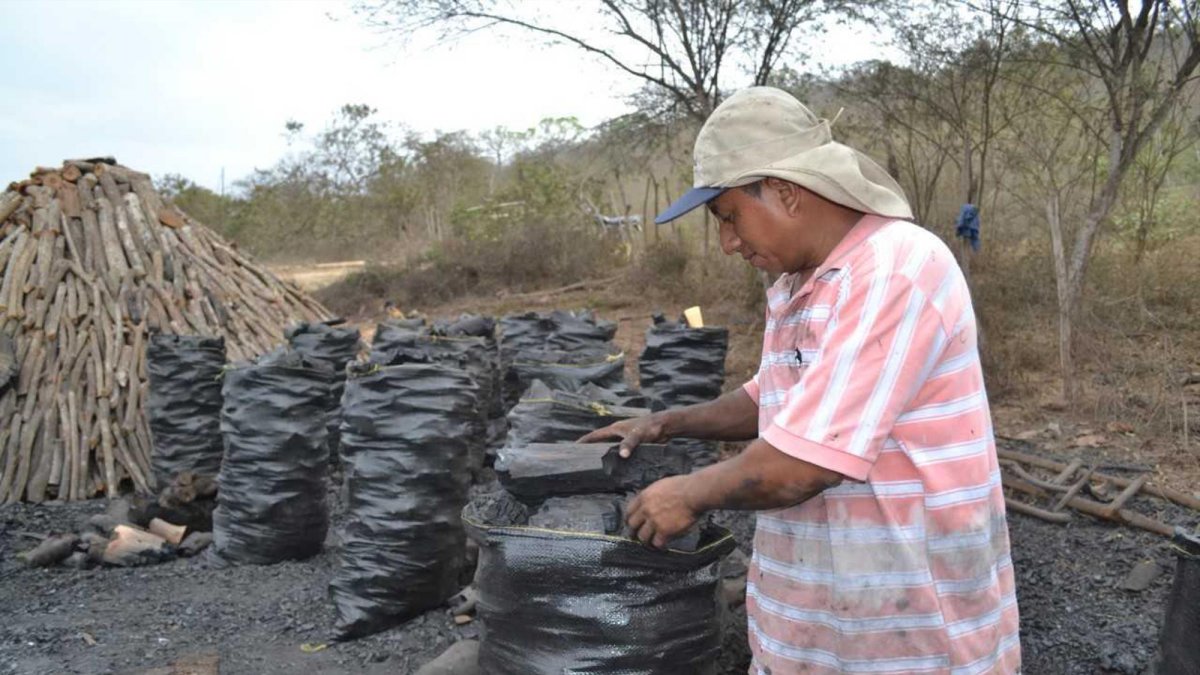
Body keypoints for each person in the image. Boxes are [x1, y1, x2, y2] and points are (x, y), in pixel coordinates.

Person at [581, 87, 1021, 674]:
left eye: (730, 216)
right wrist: (666, 424)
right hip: (817, 624)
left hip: (908, 632)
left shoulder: (893, 270)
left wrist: (687, 493)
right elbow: (775, 397)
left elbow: (804, 465)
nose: (728, 243)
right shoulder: (798, 284)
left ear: (785, 192)